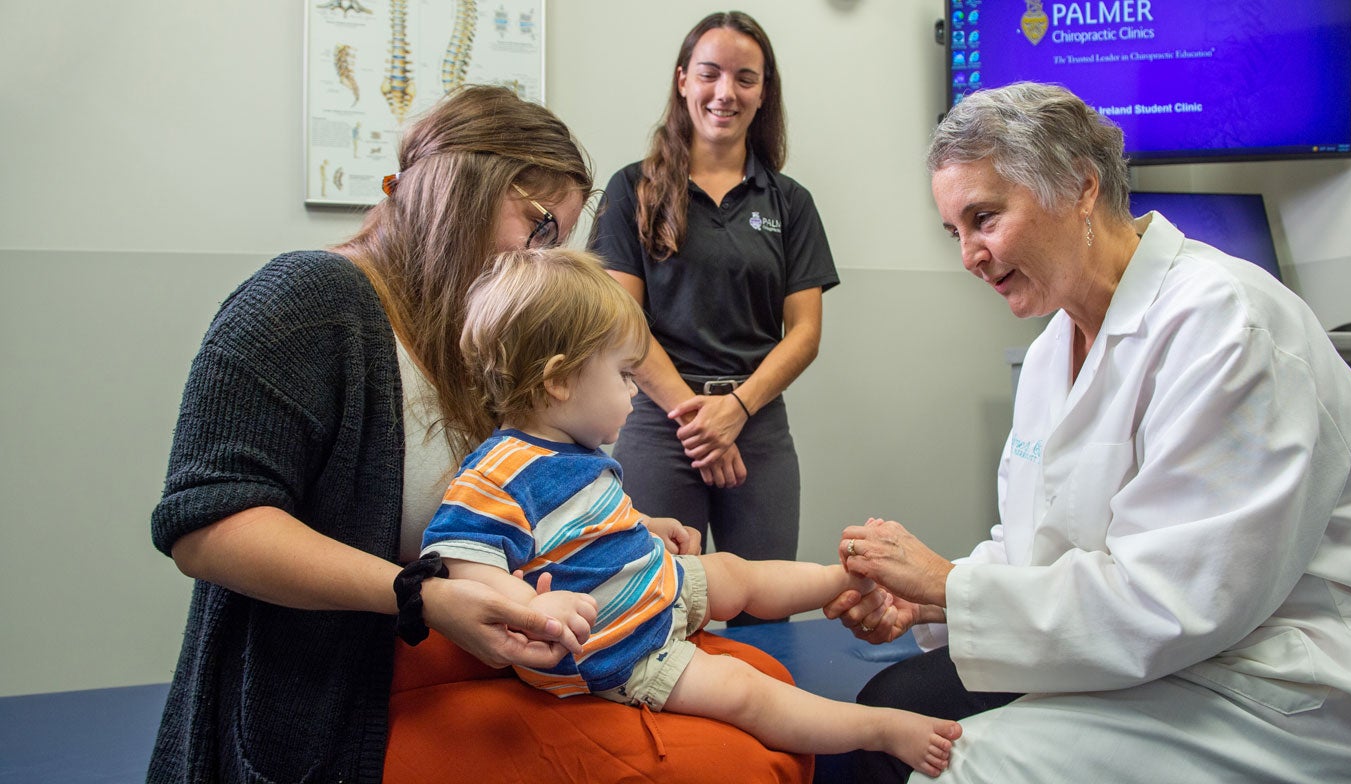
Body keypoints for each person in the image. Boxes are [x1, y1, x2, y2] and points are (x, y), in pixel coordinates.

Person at [149, 85, 809, 783]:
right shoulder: (305, 301)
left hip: (475, 643)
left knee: (766, 685)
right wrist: (422, 594)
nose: (543, 258)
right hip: (356, 686)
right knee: (735, 761)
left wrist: (626, 523)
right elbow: (207, 526)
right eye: (540, 226)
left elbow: (500, 495)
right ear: (462, 188)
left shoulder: (469, 331)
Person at [825, 82, 1351, 783]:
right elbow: (1037, 540)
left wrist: (951, 584)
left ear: (1079, 187)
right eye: (956, 232)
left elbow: (1177, 601)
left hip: (1272, 685)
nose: (970, 255)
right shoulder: (1049, 351)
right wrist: (931, 598)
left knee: (956, 769)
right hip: (1140, 657)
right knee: (885, 718)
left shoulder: (1226, 325)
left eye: (985, 218)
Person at [421, 246, 961, 777]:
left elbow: (581, 526)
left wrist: (646, 526)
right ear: (559, 380)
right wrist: (537, 611)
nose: (634, 393)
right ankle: (882, 729)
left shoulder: (576, 451)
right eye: (624, 375)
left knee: (736, 572)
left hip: (655, 584)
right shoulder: (498, 472)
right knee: (745, 692)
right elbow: (460, 561)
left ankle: (841, 577)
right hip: (623, 650)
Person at [588, 11, 839, 626]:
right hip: (659, 423)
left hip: (757, 425)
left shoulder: (790, 202)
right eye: (710, 74)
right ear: (682, 81)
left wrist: (737, 410)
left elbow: (804, 333)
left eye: (745, 78)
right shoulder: (631, 191)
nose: (725, 92)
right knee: (650, 606)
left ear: (763, 92)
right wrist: (700, 423)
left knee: (764, 612)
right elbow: (622, 323)